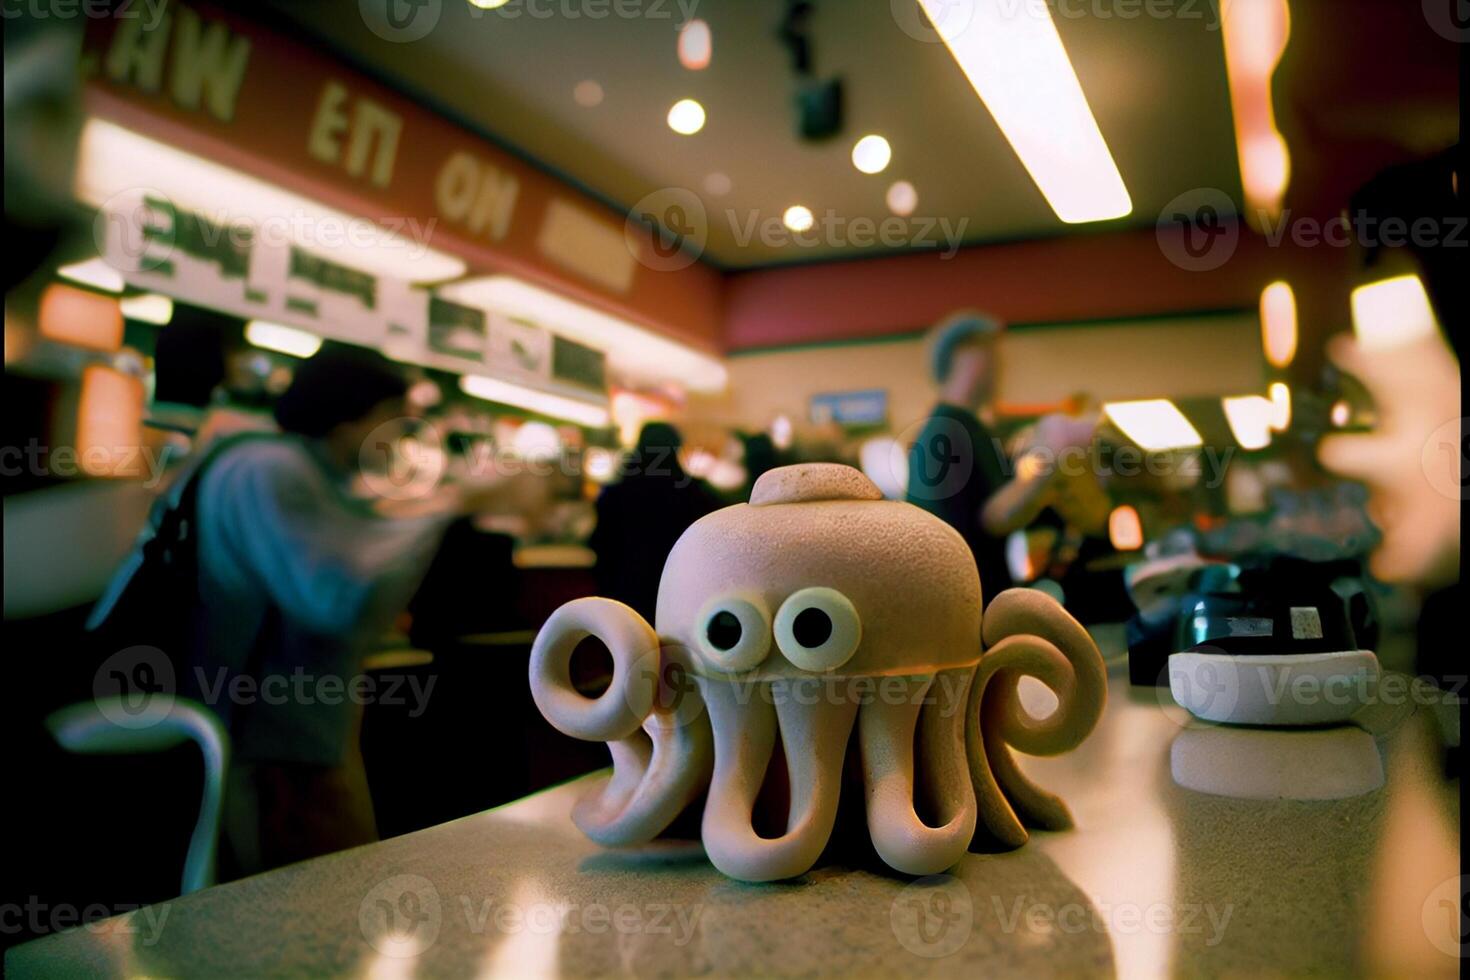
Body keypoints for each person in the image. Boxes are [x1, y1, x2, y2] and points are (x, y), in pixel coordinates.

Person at [183, 344, 481, 872]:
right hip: (275, 747)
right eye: (392, 419)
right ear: (350, 415)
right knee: (307, 914)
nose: (399, 438)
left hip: (300, 739)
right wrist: (451, 508)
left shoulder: (299, 471)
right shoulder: (271, 470)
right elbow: (335, 600)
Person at [589, 422, 721, 622]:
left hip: (626, 591)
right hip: (677, 593)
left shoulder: (616, 493)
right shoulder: (693, 495)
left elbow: (601, 542)